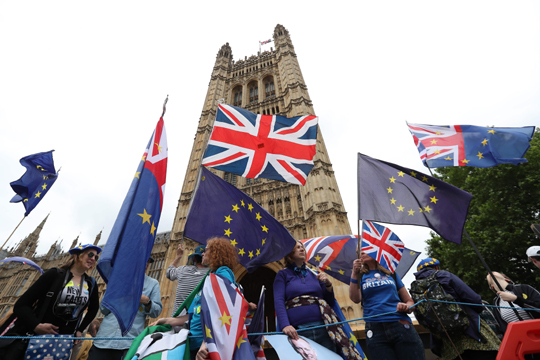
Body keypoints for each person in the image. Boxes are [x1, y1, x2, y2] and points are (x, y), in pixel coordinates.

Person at [0, 244, 100, 360]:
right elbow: (21, 305)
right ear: (77, 255)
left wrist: (79, 330)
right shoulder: (55, 275)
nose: (93, 259)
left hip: (62, 344)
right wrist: (36, 325)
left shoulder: (90, 283)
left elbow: (93, 309)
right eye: (91, 254)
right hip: (35, 339)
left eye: (96, 257)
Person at [152, 237, 239, 360]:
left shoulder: (222, 272)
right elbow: (191, 316)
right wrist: (166, 320)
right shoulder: (206, 280)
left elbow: (223, 310)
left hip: (208, 347)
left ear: (215, 253)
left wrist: (207, 342)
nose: (203, 253)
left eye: (207, 250)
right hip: (194, 344)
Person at [274, 240, 361, 360]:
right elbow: (278, 300)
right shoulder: (283, 275)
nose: (302, 249)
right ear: (289, 254)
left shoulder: (313, 273)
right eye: (298, 247)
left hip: (324, 329)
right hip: (299, 332)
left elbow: (329, 302)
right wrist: (285, 325)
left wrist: (328, 285)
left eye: (302, 248)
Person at [413, 258, 499, 360]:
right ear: (436, 267)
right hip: (472, 333)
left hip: (447, 345)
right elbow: (473, 299)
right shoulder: (443, 275)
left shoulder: (416, 289)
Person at [350, 251, 425, 360]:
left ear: (376, 251)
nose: (362, 253)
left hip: (400, 324)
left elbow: (409, 301)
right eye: (359, 251)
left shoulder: (391, 273)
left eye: (366, 249)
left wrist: (406, 307)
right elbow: (355, 299)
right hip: (375, 329)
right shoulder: (359, 276)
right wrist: (355, 273)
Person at [88, 256, 162, 360]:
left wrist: (146, 301)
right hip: (104, 340)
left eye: (148, 261)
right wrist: (117, 297)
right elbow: (104, 310)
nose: (146, 263)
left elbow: (156, 311)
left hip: (129, 344)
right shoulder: (117, 281)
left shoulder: (153, 284)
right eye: (142, 259)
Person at [166, 244, 208, 316]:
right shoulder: (211, 274)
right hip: (197, 318)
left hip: (176, 318)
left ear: (194, 258)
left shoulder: (182, 270)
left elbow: (169, 272)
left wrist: (178, 256)